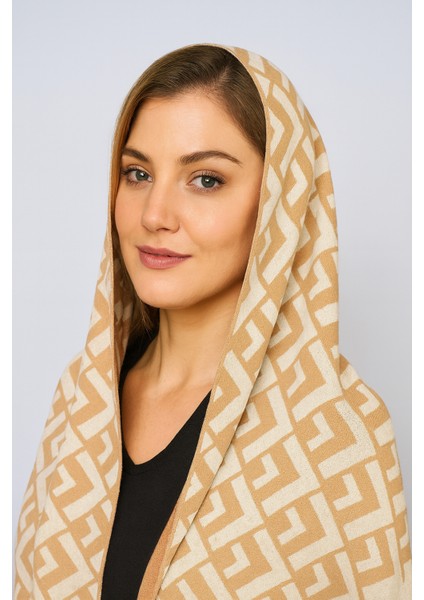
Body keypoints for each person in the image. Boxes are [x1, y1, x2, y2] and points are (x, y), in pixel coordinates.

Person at [14, 44, 411, 599]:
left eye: (205, 180)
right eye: (137, 173)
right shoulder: (81, 398)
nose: (154, 215)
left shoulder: (338, 429)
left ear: (277, 202)